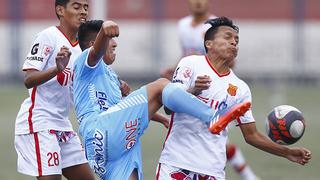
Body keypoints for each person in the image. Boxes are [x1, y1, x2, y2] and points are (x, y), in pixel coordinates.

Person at [73, 20, 251, 180]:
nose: (115, 43)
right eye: (110, 42)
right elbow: (95, 53)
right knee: (160, 85)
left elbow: (128, 109)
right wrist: (105, 29)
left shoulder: (110, 76)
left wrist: (162, 119)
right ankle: (212, 116)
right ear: (94, 44)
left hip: (105, 149)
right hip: (100, 128)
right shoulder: (84, 62)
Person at [156, 17, 312, 180]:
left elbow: (252, 135)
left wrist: (287, 152)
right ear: (209, 43)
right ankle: (212, 116)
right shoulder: (191, 64)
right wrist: (193, 90)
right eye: (227, 37)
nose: (234, 42)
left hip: (212, 171)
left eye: (236, 40)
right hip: (176, 163)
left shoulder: (240, 88)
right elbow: (168, 106)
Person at [161, 1, 257, 179]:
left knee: (217, 141)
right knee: (166, 92)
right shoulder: (182, 26)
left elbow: (228, 59)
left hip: (216, 86)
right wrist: (175, 70)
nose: (198, 2)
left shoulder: (217, 25)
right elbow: (187, 56)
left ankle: (249, 175)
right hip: (191, 81)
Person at [14, 0, 95, 179]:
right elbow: (28, 79)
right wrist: (56, 69)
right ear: (60, 10)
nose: (83, 12)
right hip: (40, 122)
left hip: (62, 124)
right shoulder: (48, 36)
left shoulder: (82, 48)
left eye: (86, 7)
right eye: (76, 6)